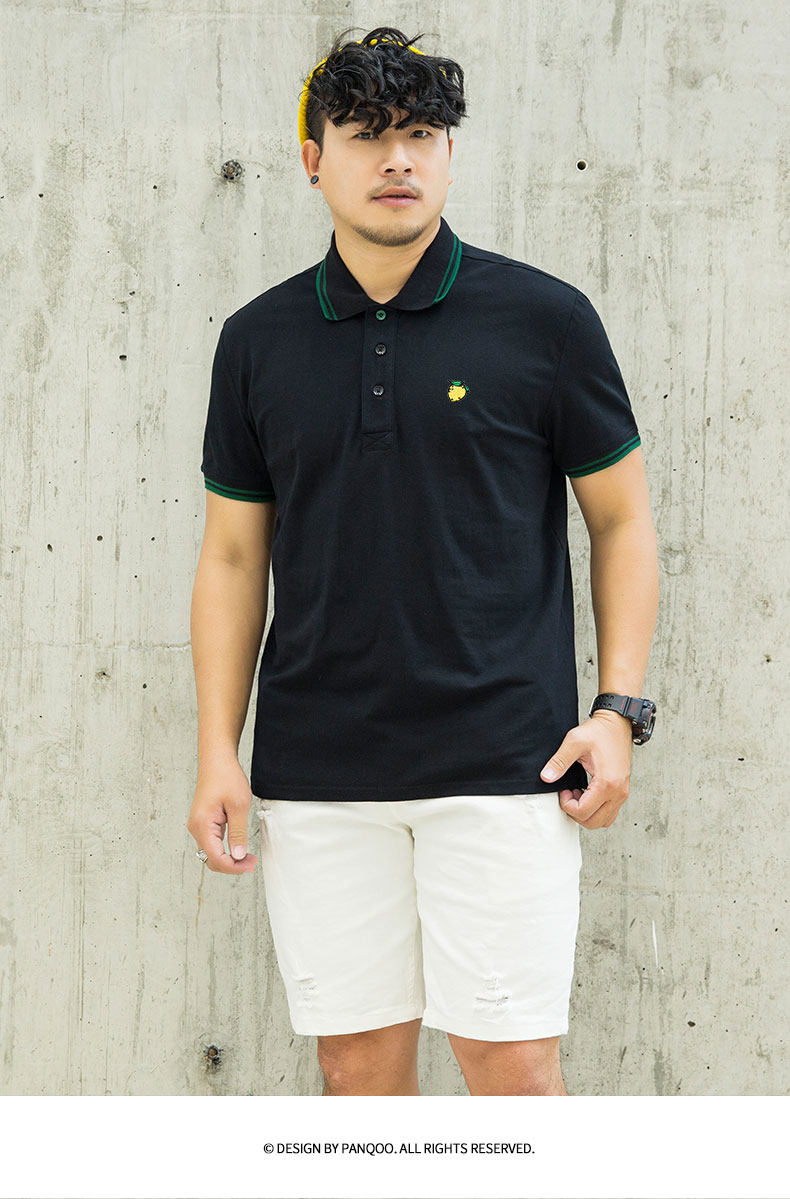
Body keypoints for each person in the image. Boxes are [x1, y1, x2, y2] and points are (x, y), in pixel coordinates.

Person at [187, 26, 659, 1097]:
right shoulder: (256, 340)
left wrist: (617, 708)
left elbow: (623, 520)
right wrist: (219, 749)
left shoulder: (545, 320)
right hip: (317, 769)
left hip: (506, 761)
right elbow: (232, 556)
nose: (397, 158)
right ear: (314, 158)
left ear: (449, 154)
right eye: (366, 134)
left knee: (513, 1068)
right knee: (355, 1070)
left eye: (421, 135)